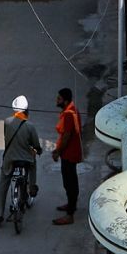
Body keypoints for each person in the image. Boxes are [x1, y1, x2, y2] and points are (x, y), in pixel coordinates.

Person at [0, 95, 42, 226]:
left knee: (3, 183)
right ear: (27, 110)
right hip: (25, 160)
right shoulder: (30, 126)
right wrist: (37, 150)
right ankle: (31, 187)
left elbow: (6, 139)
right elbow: (36, 145)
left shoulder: (7, 122)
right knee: (33, 163)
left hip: (10, 160)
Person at [51, 87, 84, 224]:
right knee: (71, 181)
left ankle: (70, 214)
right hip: (71, 152)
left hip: (69, 154)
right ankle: (71, 205)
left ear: (65, 101)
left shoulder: (69, 114)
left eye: (59, 99)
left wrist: (57, 152)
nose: (56, 101)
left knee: (69, 183)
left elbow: (66, 136)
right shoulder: (72, 110)